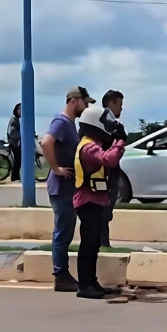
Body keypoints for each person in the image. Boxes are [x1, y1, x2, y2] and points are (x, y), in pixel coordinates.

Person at [40, 86, 95, 292]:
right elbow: (46, 142)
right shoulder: (61, 122)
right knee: (62, 233)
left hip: (68, 187)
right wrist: (56, 168)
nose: (86, 107)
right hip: (61, 187)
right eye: (85, 102)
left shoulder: (70, 124)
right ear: (74, 101)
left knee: (66, 231)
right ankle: (60, 275)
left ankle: (63, 273)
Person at [73, 105, 126, 299]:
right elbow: (108, 160)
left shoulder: (92, 143)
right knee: (88, 244)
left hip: (95, 199)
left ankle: (91, 282)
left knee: (93, 243)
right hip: (87, 201)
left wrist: (115, 140)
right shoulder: (88, 147)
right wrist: (120, 141)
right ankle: (85, 285)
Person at [99, 90, 128, 248]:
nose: (121, 109)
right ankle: (103, 242)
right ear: (111, 103)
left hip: (112, 171)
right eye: (119, 104)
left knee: (107, 210)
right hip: (105, 173)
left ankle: (104, 241)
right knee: (104, 209)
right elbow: (122, 136)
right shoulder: (104, 123)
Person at [7, 103, 22, 182]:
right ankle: (14, 177)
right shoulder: (14, 119)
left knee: (19, 159)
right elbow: (12, 132)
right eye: (18, 109)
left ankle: (17, 176)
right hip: (15, 143)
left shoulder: (21, 119)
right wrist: (20, 136)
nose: (20, 111)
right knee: (17, 159)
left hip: (19, 142)